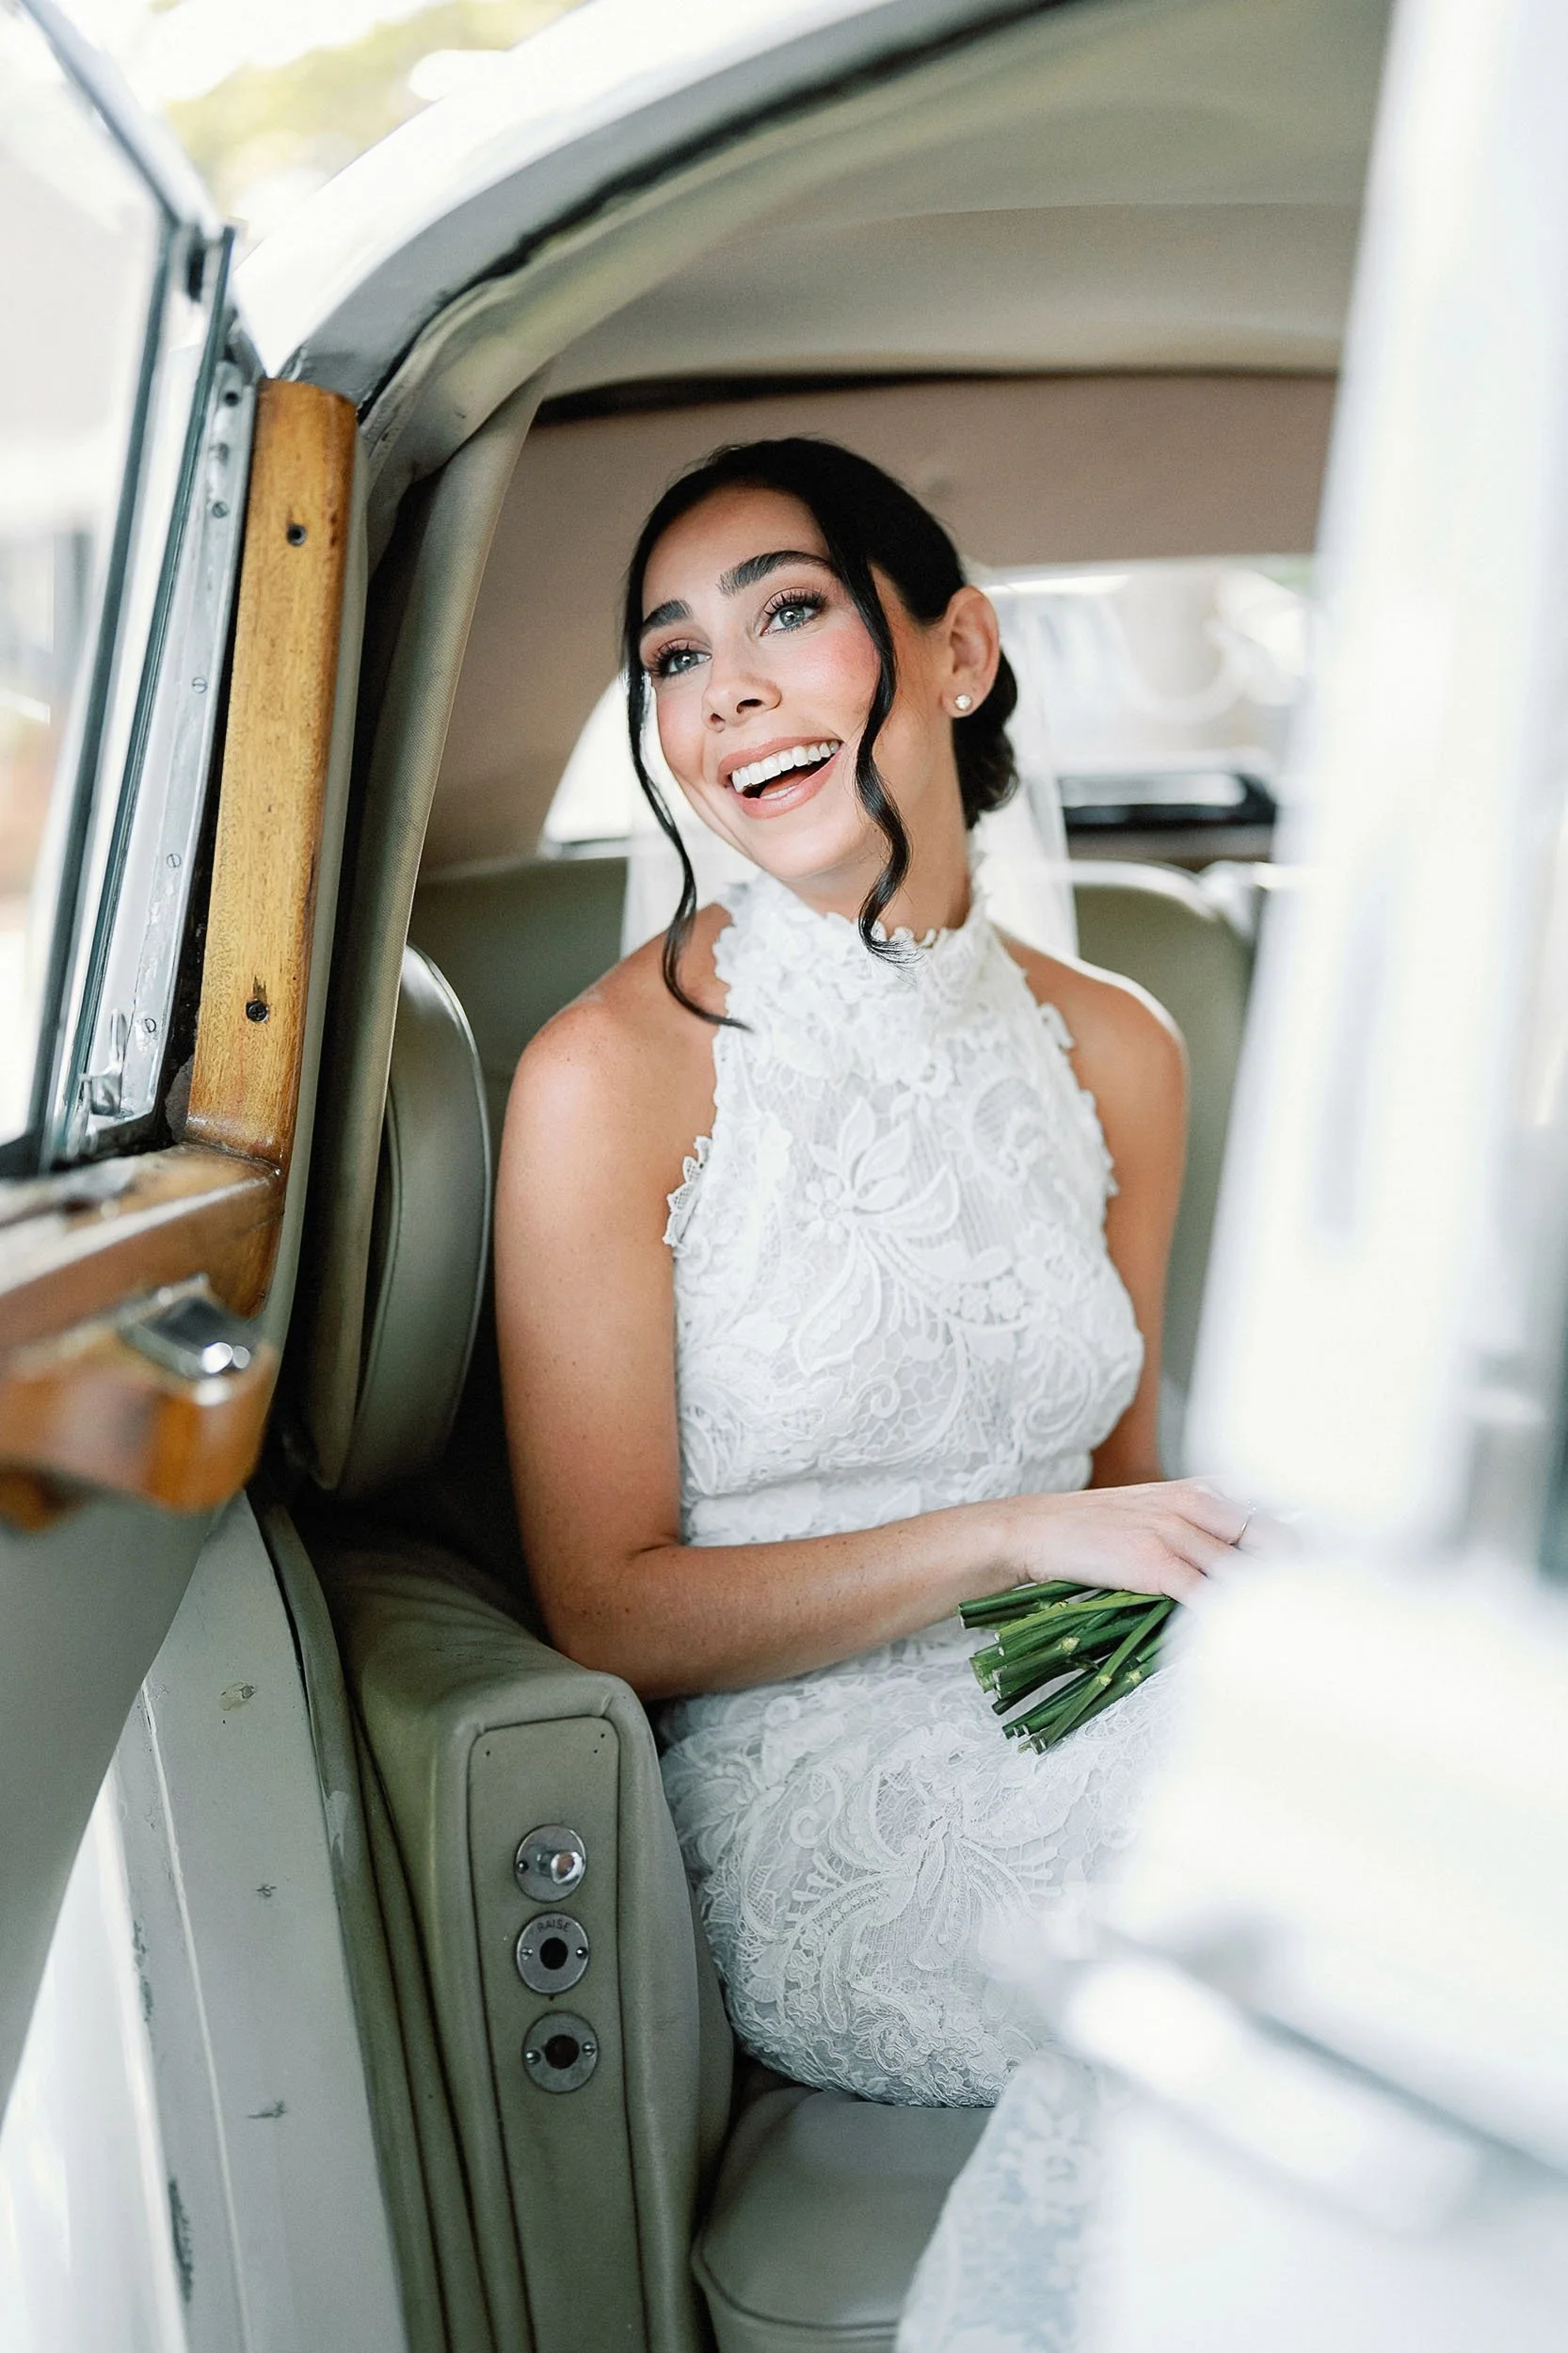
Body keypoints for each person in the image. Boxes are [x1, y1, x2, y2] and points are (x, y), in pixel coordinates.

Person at [495, 436, 1246, 2324]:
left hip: (1109, 1715)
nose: (722, 686)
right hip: (826, 1805)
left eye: (790, 612)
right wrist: (1010, 1534)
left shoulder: (1120, 1048)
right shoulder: (608, 1075)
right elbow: (606, 1605)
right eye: (670, 656)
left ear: (958, 650)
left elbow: (1132, 1502)